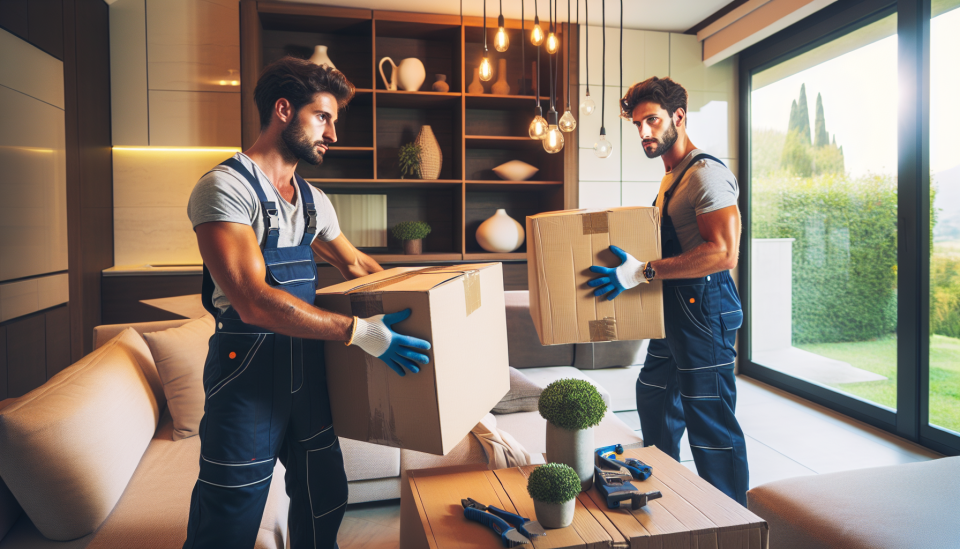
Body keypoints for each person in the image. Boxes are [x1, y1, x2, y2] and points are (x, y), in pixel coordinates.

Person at [183, 57, 432, 549]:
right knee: (229, 515)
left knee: (325, 496)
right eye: (324, 117)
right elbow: (253, 301)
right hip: (247, 374)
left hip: (308, 372)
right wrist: (359, 332)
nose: (333, 133)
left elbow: (358, 267)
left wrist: (432, 299)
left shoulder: (313, 199)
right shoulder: (225, 188)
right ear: (283, 110)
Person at [587, 76, 748, 505]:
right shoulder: (672, 176)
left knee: (709, 420)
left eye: (653, 121)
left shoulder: (706, 174)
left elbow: (724, 253)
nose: (644, 132)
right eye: (638, 124)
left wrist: (643, 272)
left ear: (678, 116)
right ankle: (671, 490)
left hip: (705, 310)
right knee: (655, 396)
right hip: (674, 309)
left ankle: (731, 520)